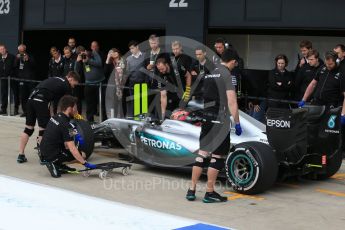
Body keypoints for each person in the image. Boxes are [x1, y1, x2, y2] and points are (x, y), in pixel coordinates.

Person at [186, 49, 242, 203]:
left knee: (202, 154)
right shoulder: (226, 75)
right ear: (232, 61)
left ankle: (191, 190)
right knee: (217, 157)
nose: (234, 66)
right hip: (220, 120)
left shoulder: (210, 72)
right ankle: (209, 192)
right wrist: (237, 123)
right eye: (235, 64)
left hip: (206, 117)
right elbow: (232, 102)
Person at [17, 71, 80, 163]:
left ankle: (21, 154)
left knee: (28, 129)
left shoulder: (56, 79)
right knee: (44, 130)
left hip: (31, 99)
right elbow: (70, 104)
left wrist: (54, 116)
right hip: (41, 101)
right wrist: (77, 116)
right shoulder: (66, 85)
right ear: (71, 79)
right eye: (74, 84)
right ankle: (43, 156)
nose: (73, 87)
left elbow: (54, 103)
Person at [40, 95, 96, 178]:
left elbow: (66, 134)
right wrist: (85, 163)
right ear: (70, 108)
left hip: (43, 149)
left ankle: (59, 164)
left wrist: (78, 137)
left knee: (67, 146)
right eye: (75, 108)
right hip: (51, 154)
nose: (77, 111)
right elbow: (72, 148)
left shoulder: (56, 116)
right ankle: (53, 163)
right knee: (83, 154)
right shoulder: (66, 124)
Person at [75, 48, 105, 122]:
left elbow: (99, 63)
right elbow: (76, 71)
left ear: (86, 51)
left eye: (83, 53)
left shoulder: (94, 54)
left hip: (100, 83)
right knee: (89, 105)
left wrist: (88, 60)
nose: (83, 55)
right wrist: (77, 62)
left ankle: (104, 121)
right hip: (88, 84)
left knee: (102, 104)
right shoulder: (81, 60)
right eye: (81, 54)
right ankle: (90, 122)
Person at [125, 40, 146, 117]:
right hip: (133, 83)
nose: (131, 50)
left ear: (137, 47)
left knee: (143, 102)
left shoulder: (145, 55)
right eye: (130, 49)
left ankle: (143, 119)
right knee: (136, 103)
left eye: (133, 48)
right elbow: (127, 72)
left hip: (144, 82)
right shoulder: (128, 59)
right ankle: (137, 119)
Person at [15, 44, 36, 117]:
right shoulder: (17, 56)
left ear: (25, 49)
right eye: (19, 50)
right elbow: (14, 66)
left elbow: (34, 65)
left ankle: (32, 112)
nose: (21, 51)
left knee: (30, 96)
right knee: (23, 96)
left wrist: (28, 60)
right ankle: (25, 112)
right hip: (21, 79)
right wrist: (17, 59)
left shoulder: (30, 56)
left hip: (30, 80)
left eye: (22, 49)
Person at [104, 48, 125, 118]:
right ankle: (115, 119)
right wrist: (107, 58)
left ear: (117, 52)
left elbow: (127, 72)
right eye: (110, 53)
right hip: (113, 86)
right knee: (114, 105)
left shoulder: (123, 61)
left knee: (122, 104)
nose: (112, 54)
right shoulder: (110, 63)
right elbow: (105, 73)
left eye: (113, 52)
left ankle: (123, 120)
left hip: (122, 86)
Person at [0, 43, 19, 115]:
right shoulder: (0, 58)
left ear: (6, 49)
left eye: (3, 49)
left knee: (15, 93)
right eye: (0, 49)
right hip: (3, 79)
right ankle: (3, 109)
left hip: (12, 78)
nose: (2, 50)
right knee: (4, 94)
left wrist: (10, 74)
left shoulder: (12, 57)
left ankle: (16, 109)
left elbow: (15, 67)